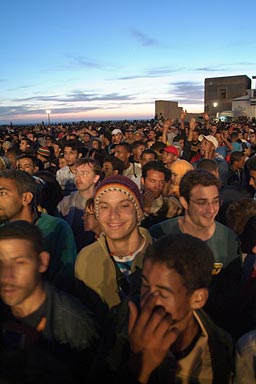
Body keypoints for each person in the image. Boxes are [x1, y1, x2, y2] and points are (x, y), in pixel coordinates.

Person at [92, 233, 234, 383]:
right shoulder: (121, 324)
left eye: (163, 293)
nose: (148, 301)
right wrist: (137, 368)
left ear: (198, 299)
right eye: (145, 286)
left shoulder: (219, 350)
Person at [0, 220, 100, 383]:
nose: (7, 275)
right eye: (1, 263)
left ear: (42, 262)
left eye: (20, 263)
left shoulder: (75, 326)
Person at [149, 169, 242, 335]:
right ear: (184, 202)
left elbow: (232, 296)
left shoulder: (229, 239)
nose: (211, 210)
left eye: (215, 201)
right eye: (201, 202)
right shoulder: (159, 234)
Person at [75, 175, 152, 318]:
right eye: (104, 207)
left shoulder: (162, 255)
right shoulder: (86, 259)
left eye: (124, 206)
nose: (113, 215)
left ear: (138, 212)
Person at [0, 169, 77, 294]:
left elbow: (65, 280)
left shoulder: (56, 228)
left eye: (3, 193)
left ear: (26, 198)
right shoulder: (3, 231)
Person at [57, 158, 102, 251]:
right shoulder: (67, 202)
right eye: (76, 173)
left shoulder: (104, 201)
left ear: (96, 178)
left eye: (84, 173)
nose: (78, 177)